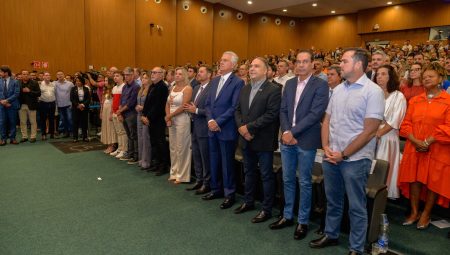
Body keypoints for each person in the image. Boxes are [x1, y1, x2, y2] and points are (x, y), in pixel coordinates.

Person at [310, 48, 384, 255]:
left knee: (356, 205)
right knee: (332, 200)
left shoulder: (373, 91)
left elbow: (369, 131)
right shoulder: (339, 89)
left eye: (344, 61)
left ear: (358, 64)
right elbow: (327, 120)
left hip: (356, 159)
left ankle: (356, 247)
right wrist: (326, 147)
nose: (339, 64)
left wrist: (343, 153)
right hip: (331, 154)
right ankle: (331, 234)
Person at [270, 50, 329, 241]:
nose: (301, 65)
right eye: (298, 61)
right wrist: (287, 132)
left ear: (313, 64)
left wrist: (292, 133)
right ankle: (287, 215)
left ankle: (302, 221)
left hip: (306, 140)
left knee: (304, 181)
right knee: (287, 179)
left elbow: (315, 114)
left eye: (305, 62)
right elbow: (283, 110)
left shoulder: (320, 84)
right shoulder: (289, 83)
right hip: (287, 138)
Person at [398, 62, 450, 229]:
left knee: (433, 181)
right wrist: (416, 141)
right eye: (425, 76)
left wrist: (428, 141)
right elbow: (406, 124)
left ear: (440, 78)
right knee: (414, 179)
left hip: (437, 147)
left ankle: (426, 214)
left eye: (431, 76)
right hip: (414, 146)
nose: (427, 78)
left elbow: (448, 127)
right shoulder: (415, 100)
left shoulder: (448, 100)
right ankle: (414, 212)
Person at [234, 57, 281, 223]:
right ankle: (248, 202)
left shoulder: (273, 89)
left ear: (266, 70)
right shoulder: (245, 88)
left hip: (263, 139)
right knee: (249, 172)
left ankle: (266, 209)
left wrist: (249, 128)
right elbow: (238, 110)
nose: (252, 69)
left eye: (256, 66)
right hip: (246, 138)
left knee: (266, 175)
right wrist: (241, 128)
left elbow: (271, 115)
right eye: (251, 66)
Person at [202, 51, 244, 210]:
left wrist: (218, 121)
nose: (221, 62)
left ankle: (229, 194)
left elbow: (234, 107)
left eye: (225, 61)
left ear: (233, 65)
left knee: (227, 163)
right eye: (221, 60)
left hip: (226, 128)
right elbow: (207, 104)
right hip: (212, 128)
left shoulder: (238, 82)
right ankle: (216, 189)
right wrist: (211, 120)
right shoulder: (215, 80)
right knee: (214, 160)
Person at [374, 65, 407, 199]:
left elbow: (394, 122)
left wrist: (377, 134)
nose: (379, 77)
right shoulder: (374, 94)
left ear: (390, 77)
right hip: (371, 136)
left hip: (387, 138)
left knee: (383, 172)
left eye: (383, 74)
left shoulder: (398, 96)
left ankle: (382, 200)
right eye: (377, 74)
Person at [184, 65, 212, 194]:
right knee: (196, 155)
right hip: (194, 126)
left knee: (205, 157)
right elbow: (192, 106)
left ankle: (207, 183)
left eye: (201, 72)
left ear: (209, 74)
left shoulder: (212, 89)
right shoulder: (195, 88)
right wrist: (191, 109)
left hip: (205, 128)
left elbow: (211, 111)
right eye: (198, 72)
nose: (198, 74)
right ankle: (199, 180)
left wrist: (195, 110)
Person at [165, 67, 193, 183]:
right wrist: (168, 116)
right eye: (176, 74)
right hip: (171, 119)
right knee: (173, 147)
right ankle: (174, 172)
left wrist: (170, 116)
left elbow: (184, 106)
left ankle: (182, 175)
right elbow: (167, 103)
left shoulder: (188, 88)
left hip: (182, 119)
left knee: (182, 147)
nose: (177, 75)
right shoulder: (172, 87)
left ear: (185, 76)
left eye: (180, 74)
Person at [142, 67, 170, 176]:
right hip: (150, 119)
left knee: (160, 143)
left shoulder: (162, 87)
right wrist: (144, 114)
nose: (152, 74)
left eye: (155, 73)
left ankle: (163, 166)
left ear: (161, 75)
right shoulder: (152, 86)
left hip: (158, 119)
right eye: (152, 72)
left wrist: (148, 117)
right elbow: (148, 102)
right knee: (153, 142)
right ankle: (156, 163)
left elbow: (159, 105)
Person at [117, 67, 140, 164]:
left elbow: (131, 103)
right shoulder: (124, 87)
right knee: (128, 134)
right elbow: (122, 100)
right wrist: (120, 112)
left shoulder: (136, 86)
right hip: (124, 113)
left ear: (132, 75)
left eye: (127, 75)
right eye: (125, 75)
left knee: (134, 135)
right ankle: (130, 153)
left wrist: (120, 111)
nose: (126, 77)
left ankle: (136, 155)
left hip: (132, 114)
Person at [18, 70, 41, 143]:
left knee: (33, 121)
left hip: (31, 105)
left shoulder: (34, 82)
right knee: (22, 122)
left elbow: (39, 93)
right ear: (21, 75)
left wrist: (29, 91)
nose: (25, 75)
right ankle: (24, 137)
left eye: (26, 74)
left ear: (29, 75)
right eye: (23, 74)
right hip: (21, 105)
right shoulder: (18, 83)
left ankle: (33, 136)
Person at [109, 71, 128, 159]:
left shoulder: (124, 86)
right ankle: (120, 148)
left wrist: (120, 112)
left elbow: (123, 101)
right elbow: (113, 101)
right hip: (114, 112)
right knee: (118, 132)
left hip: (120, 112)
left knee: (122, 132)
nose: (115, 77)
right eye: (114, 76)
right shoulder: (114, 88)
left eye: (117, 76)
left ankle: (124, 149)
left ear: (122, 77)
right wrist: (111, 112)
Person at [0, 65, 20, 145]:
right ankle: (3, 139)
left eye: (1, 72)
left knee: (12, 122)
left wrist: (7, 101)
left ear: (6, 73)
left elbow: (16, 93)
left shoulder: (15, 81)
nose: (0, 73)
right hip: (1, 106)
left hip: (12, 105)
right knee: (2, 122)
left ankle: (13, 138)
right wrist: (2, 101)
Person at [136, 73, 151, 170]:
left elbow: (151, 104)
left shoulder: (150, 90)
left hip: (146, 115)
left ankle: (146, 160)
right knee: (140, 137)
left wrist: (143, 108)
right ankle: (141, 159)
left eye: (146, 78)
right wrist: (137, 107)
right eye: (143, 78)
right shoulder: (140, 89)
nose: (143, 80)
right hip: (139, 115)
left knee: (146, 138)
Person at [70, 76, 91, 142]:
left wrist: (83, 105)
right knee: (75, 122)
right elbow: (71, 99)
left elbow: (88, 98)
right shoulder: (73, 89)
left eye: (79, 81)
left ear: (82, 82)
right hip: (76, 107)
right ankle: (75, 137)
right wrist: (78, 105)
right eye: (76, 81)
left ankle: (85, 137)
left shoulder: (86, 88)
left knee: (84, 122)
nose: (78, 82)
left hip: (84, 107)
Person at [55, 71, 74, 138]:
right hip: (60, 104)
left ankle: (72, 131)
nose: (60, 75)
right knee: (63, 119)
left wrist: (72, 103)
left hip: (68, 104)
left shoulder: (70, 84)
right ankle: (65, 132)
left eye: (61, 74)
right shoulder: (54, 84)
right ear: (56, 76)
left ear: (64, 75)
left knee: (70, 119)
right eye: (58, 74)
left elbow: (73, 94)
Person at [100, 81, 117, 154]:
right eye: (105, 80)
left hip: (110, 109)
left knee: (111, 127)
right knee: (106, 127)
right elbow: (102, 102)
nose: (105, 82)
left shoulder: (113, 89)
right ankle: (108, 144)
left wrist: (111, 113)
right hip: (105, 110)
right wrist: (101, 111)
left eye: (107, 81)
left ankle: (112, 145)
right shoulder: (105, 90)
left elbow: (113, 102)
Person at [39, 72, 56, 140]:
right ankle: (43, 134)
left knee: (52, 119)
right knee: (43, 119)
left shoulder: (53, 84)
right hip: (43, 103)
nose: (48, 76)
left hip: (52, 103)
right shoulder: (40, 84)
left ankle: (52, 134)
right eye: (46, 75)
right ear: (43, 77)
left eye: (49, 75)